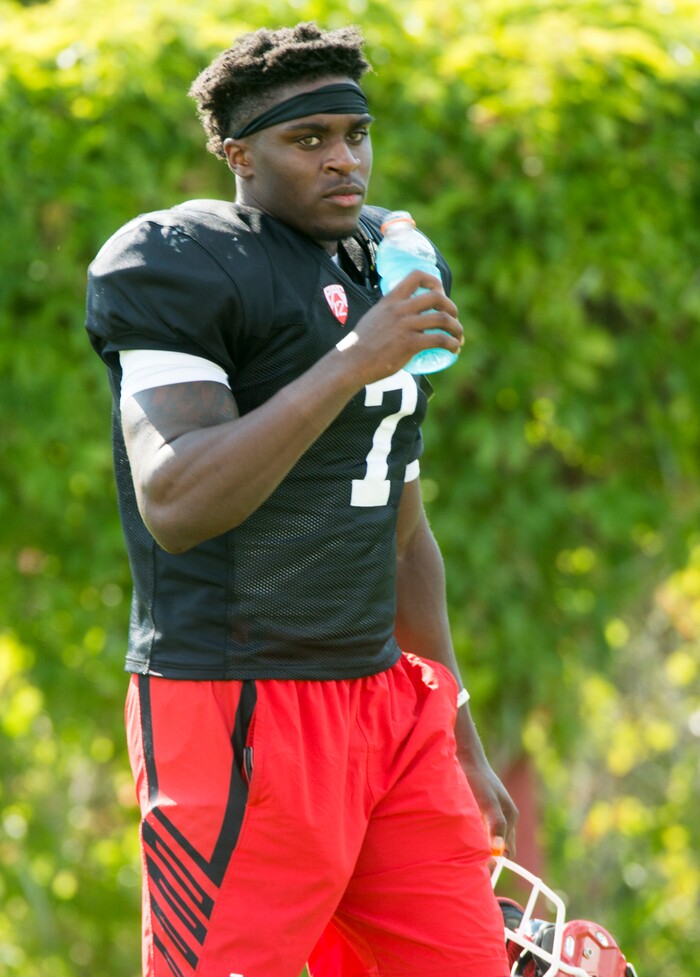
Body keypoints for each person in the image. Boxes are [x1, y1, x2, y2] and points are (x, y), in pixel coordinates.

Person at [86, 21, 517, 977]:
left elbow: (402, 526)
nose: (343, 161)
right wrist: (358, 356)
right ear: (239, 154)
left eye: (355, 135)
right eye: (308, 140)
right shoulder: (177, 259)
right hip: (236, 704)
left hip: (386, 705)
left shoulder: (381, 258)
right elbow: (178, 496)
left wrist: (456, 734)